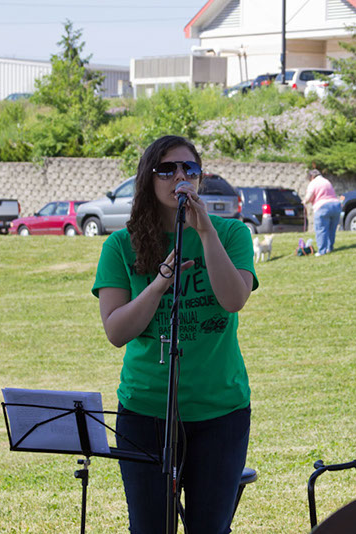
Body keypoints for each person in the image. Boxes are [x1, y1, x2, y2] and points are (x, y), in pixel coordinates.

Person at [92, 135, 257, 533]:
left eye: (189, 169)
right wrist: (159, 283)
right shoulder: (121, 245)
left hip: (220, 411)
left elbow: (234, 299)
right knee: (150, 528)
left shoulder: (232, 234)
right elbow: (116, 331)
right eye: (167, 169)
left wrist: (205, 233)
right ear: (148, 180)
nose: (179, 176)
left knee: (210, 529)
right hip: (146, 411)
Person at [302, 168, 342, 256]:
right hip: (335, 206)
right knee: (332, 229)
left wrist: (305, 201)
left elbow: (309, 197)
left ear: (312, 177)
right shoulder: (327, 181)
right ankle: (330, 247)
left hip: (322, 207)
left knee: (321, 229)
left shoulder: (313, 183)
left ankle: (321, 251)